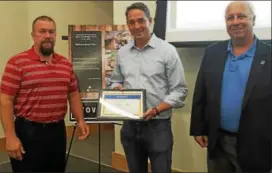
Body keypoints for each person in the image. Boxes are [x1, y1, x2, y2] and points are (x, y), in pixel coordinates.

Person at [0, 15, 90, 172]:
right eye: (42, 31)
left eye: (51, 32)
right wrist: (10, 137)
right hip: (28, 132)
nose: (48, 35)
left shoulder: (65, 64)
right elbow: (5, 101)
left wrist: (81, 120)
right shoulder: (17, 63)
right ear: (33, 35)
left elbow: (73, 94)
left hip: (57, 131)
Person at [190, 1, 272, 173]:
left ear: (253, 20)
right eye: (230, 18)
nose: (235, 22)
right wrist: (198, 128)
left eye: (241, 16)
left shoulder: (268, 55)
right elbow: (201, 92)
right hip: (217, 139)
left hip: (256, 143)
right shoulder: (213, 52)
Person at [110, 2, 188, 173]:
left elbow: (180, 91)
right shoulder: (122, 53)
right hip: (130, 124)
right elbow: (115, 80)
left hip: (158, 125)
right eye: (132, 22)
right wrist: (116, 88)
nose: (136, 26)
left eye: (141, 21)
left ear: (150, 21)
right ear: (127, 24)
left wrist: (156, 109)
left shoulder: (167, 51)